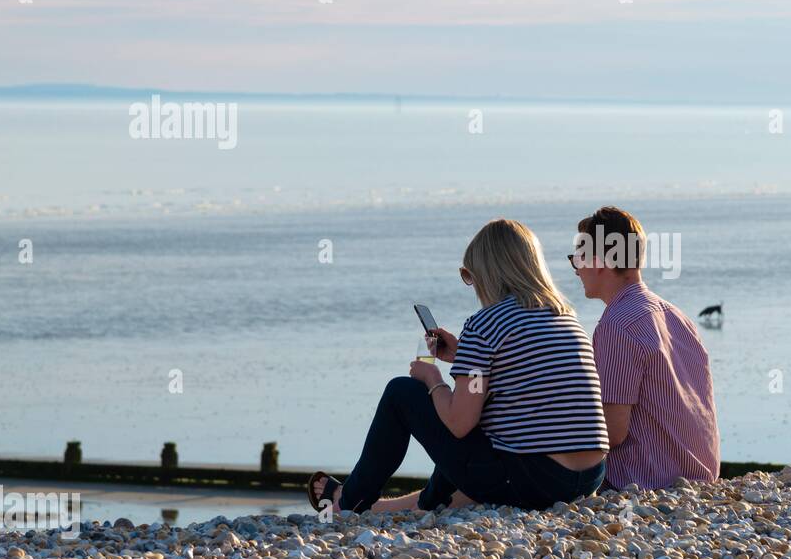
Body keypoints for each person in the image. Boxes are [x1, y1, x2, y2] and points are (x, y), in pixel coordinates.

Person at [308, 219, 608, 514]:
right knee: (484, 416)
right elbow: (525, 381)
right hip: (588, 479)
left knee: (401, 392)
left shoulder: (485, 323)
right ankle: (430, 503)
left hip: (535, 483)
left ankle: (348, 504)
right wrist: (463, 356)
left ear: (488, 272)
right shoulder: (567, 318)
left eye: (470, 274)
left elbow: (459, 423)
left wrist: (433, 378)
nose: (472, 283)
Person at [570, 206, 719, 491]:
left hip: (644, 484)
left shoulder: (617, 325)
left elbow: (611, 433)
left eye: (579, 258)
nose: (577, 270)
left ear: (599, 261)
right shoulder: (678, 317)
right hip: (700, 479)